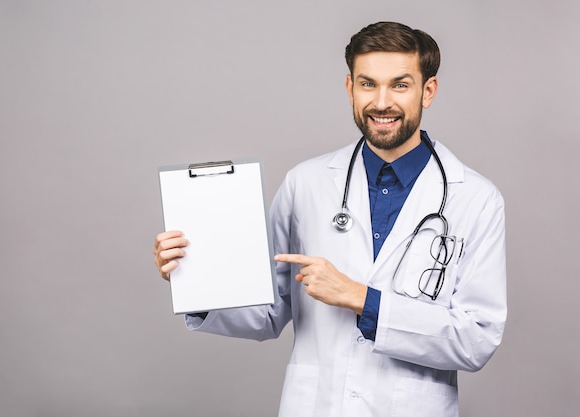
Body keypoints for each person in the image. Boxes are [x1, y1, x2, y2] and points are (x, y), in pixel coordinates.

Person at [152, 21, 506, 417]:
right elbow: (268, 311)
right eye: (368, 84)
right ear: (350, 88)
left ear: (428, 91)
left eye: (400, 85)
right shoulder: (306, 183)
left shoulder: (476, 198)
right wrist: (194, 282)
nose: (382, 102)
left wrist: (360, 298)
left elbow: (476, 340)